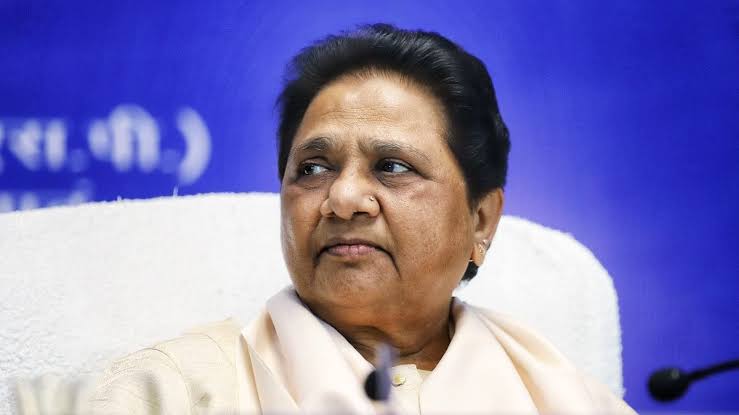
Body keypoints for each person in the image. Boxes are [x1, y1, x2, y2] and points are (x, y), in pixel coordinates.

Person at [88, 23, 637, 414]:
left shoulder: (565, 400)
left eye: (392, 166)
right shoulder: (173, 391)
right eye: (313, 168)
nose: (344, 198)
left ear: (480, 220)